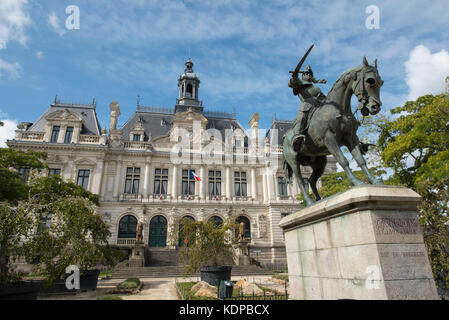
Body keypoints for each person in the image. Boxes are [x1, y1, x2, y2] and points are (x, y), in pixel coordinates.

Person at [288, 65, 327, 145]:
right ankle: (297, 135)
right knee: (302, 115)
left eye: (310, 74)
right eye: (306, 74)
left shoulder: (316, 88)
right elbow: (292, 83)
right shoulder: (300, 84)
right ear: (302, 76)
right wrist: (294, 77)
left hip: (319, 105)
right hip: (307, 104)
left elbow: (325, 98)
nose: (308, 75)